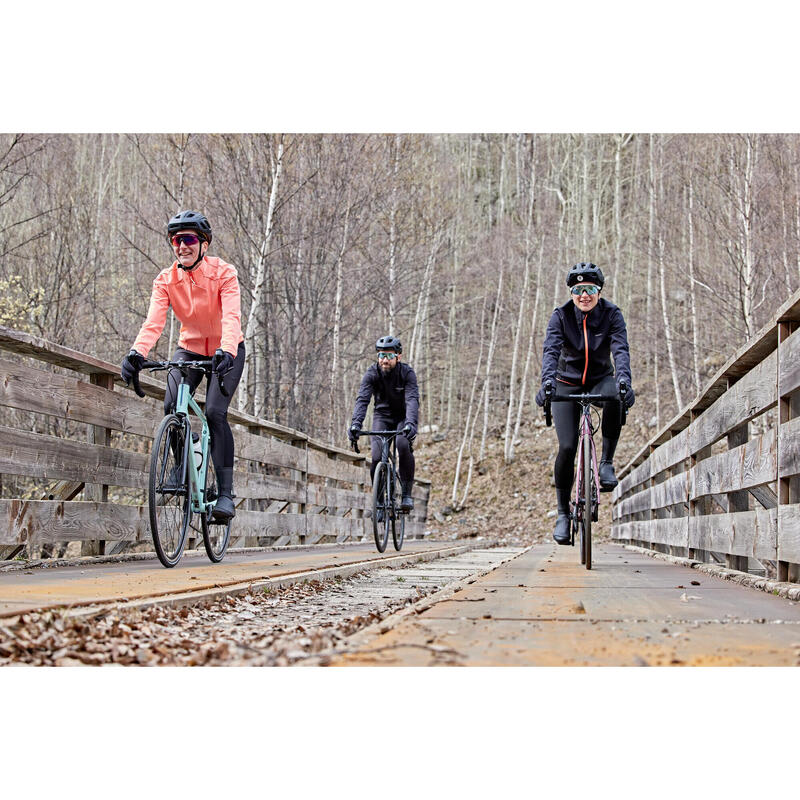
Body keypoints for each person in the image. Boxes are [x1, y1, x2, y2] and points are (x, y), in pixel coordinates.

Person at [120, 210, 244, 522]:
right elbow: (154, 322)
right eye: (176, 240)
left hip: (225, 351)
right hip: (188, 349)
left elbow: (231, 317)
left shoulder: (224, 273)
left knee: (215, 413)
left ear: (204, 244)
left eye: (188, 239)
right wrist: (137, 352)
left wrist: (227, 350)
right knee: (171, 405)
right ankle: (182, 468)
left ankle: (226, 495)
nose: (181, 246)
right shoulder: (165, 280)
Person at [535, 262, 635, 545]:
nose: (584, 296)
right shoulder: (561, 316)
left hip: (600, 378)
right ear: (572, 293)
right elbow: (551, 350)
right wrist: (547, 383)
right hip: (566, 382)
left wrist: (624, 380)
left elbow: (620, 349)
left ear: (599, 292)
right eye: (578, 290)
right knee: (567, 446)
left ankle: (605, 463)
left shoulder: (612, 314)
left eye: (590, 289)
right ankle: (563, 514)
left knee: (616, 392)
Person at [348, 335, 420, 515]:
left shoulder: (407, 374)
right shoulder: (372, 374)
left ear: (398, 356)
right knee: (377, 455)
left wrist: (411, 424)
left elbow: (412, 400)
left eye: (388, 356)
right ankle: (379, 500)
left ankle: (406, 494)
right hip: (382, 416)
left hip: (403, 417)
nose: (384, 360)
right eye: (380, 356)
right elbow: (362, 400)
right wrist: (356, 424)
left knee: (403, 446)